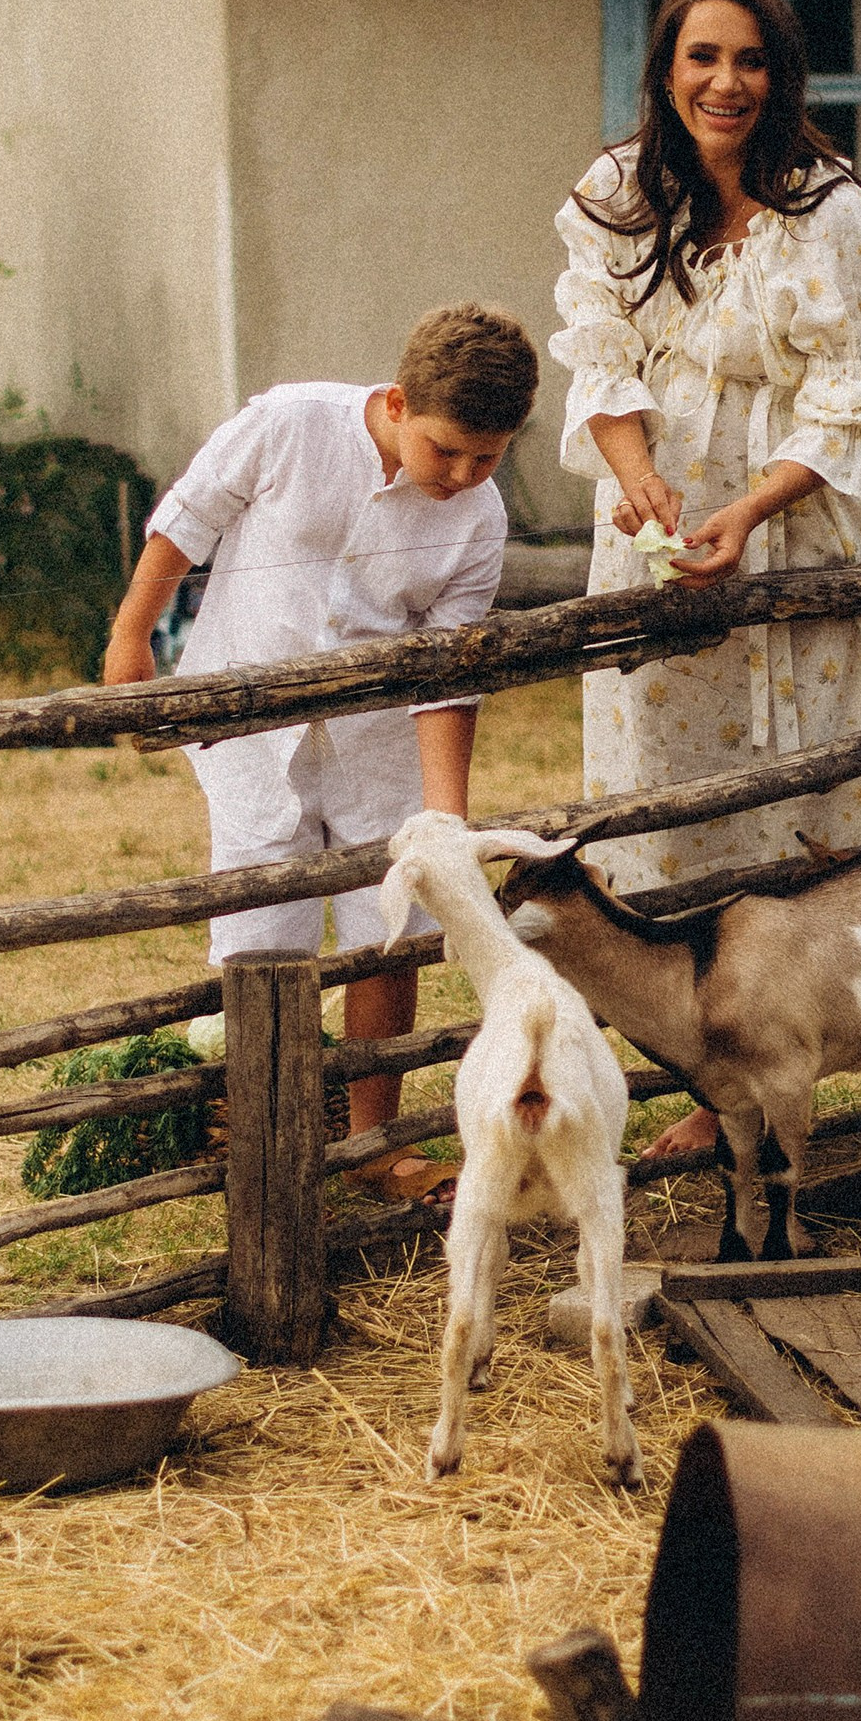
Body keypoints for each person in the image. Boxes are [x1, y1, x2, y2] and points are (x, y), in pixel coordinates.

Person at [552, 0, 861, 1161]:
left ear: (782, 78)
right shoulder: (615, 194)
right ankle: (714, 1075)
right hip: (659, 529)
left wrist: (749, 507)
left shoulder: (828, 209)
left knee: (815, 790)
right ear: (665, 70)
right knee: (673, 794)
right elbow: (602, 362)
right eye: (701, 58)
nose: (725, 83)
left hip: (798, 522)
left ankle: (802, 1051)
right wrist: (639, 486)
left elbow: (843, 399)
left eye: (751, 62)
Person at [105, 304, 539, 1201]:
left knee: (388, 928)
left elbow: (448, 672)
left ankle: (375, 1143)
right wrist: (131, 642)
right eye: (445, 449)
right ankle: (268, 1141)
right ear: (396, 402)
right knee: (266, 936)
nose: (462, 475)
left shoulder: (479, 519)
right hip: (249, 727)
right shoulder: (290, 424)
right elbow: (184, 524)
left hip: (378, 743)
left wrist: (444, 820)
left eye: (486, 457)